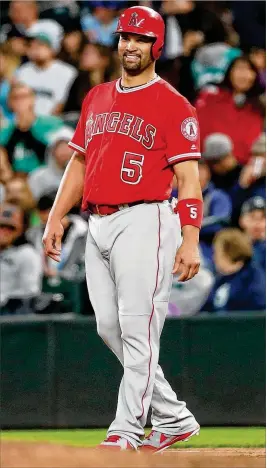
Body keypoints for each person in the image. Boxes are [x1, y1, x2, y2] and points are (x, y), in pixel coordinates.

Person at [43, 5, 202, 453]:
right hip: (96, 221)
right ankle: (174, 418)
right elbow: (78, 161)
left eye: (141, 38)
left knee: (137, 329)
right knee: (109, 328)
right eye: (125, 37)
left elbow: (189, 181)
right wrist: (56, 216)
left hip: (146, 218)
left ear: (157, 45)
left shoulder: (174, 104)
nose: (130, 45)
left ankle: (127, 429)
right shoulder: (96, 97)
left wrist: (190, 239)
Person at [195, 56, 264, 165]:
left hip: (243, 167)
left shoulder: (259, 107)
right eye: (239, 69)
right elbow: (199, 132)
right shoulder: (210, 98)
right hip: (209, 163)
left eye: (248, 70)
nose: (243, 75)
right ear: (229, 73)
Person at [0, 83, 66, 173]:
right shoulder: (5, 132)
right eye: (15, 98)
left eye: (24, 96)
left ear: (33, 99)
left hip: (47, 174)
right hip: (16, 178)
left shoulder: (52, 124)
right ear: (9, 103)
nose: (20, 101)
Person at [27, 192, 87, 281]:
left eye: (50, 212)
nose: (47, 217)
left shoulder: (84, 233)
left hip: (76, 286)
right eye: (43, 214)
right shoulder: (33, 235)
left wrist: (62, 275)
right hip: (44, 286)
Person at [203, 228, 265, 313]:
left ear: (230, 252)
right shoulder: (221, 279)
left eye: (216, 252)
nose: (214, 258)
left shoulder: (253, 280)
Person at [16, 31, 77, 116]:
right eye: (30, 46)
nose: (34, 49)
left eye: (40, 45)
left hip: (56, 121)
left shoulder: (67, 72)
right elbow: (17, 101)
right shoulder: (23, 71)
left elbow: (62, 104)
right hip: (27, 121)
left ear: (52, 49)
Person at [0, 202, 42, 315]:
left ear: (21, 230)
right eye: (1, 226)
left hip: (14, 314)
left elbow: (29, 292)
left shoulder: (27, 254)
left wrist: (4, 298)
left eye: (10, 228)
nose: (4, 232)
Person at [198, 159, 232, 265]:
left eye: (199, 169)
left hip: (210, 250)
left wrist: (190, 227)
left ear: (207, 172)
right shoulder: (177, 196)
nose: (195, 174)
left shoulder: (217, 196)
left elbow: (220, 222)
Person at [28, 127, 74, 201]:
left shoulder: (83, 175)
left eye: (68, 146)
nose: (64, 151)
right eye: (60, 147)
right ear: (52, 151)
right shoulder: (38, 177)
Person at [239, 196, 266, 271]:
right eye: (252, 216)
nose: (257, 222)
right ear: (241, 220)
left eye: (262, 217)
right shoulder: (233, 246)